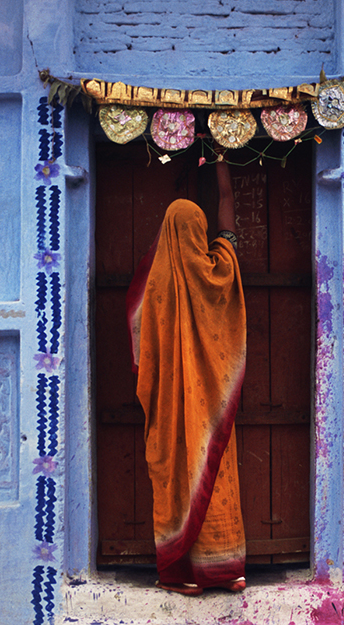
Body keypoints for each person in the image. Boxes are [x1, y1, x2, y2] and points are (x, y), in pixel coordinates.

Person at [126, 160, 247, 596]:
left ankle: (178, 574)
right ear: (199, 230)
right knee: (215, 475)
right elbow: (229, 206)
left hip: (173, 411)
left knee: (178, 477)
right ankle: (228, 572)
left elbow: (137, 330)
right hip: (213, 407)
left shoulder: (155, 286)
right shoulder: (221, 268)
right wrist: (221, 166)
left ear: (166, 233)